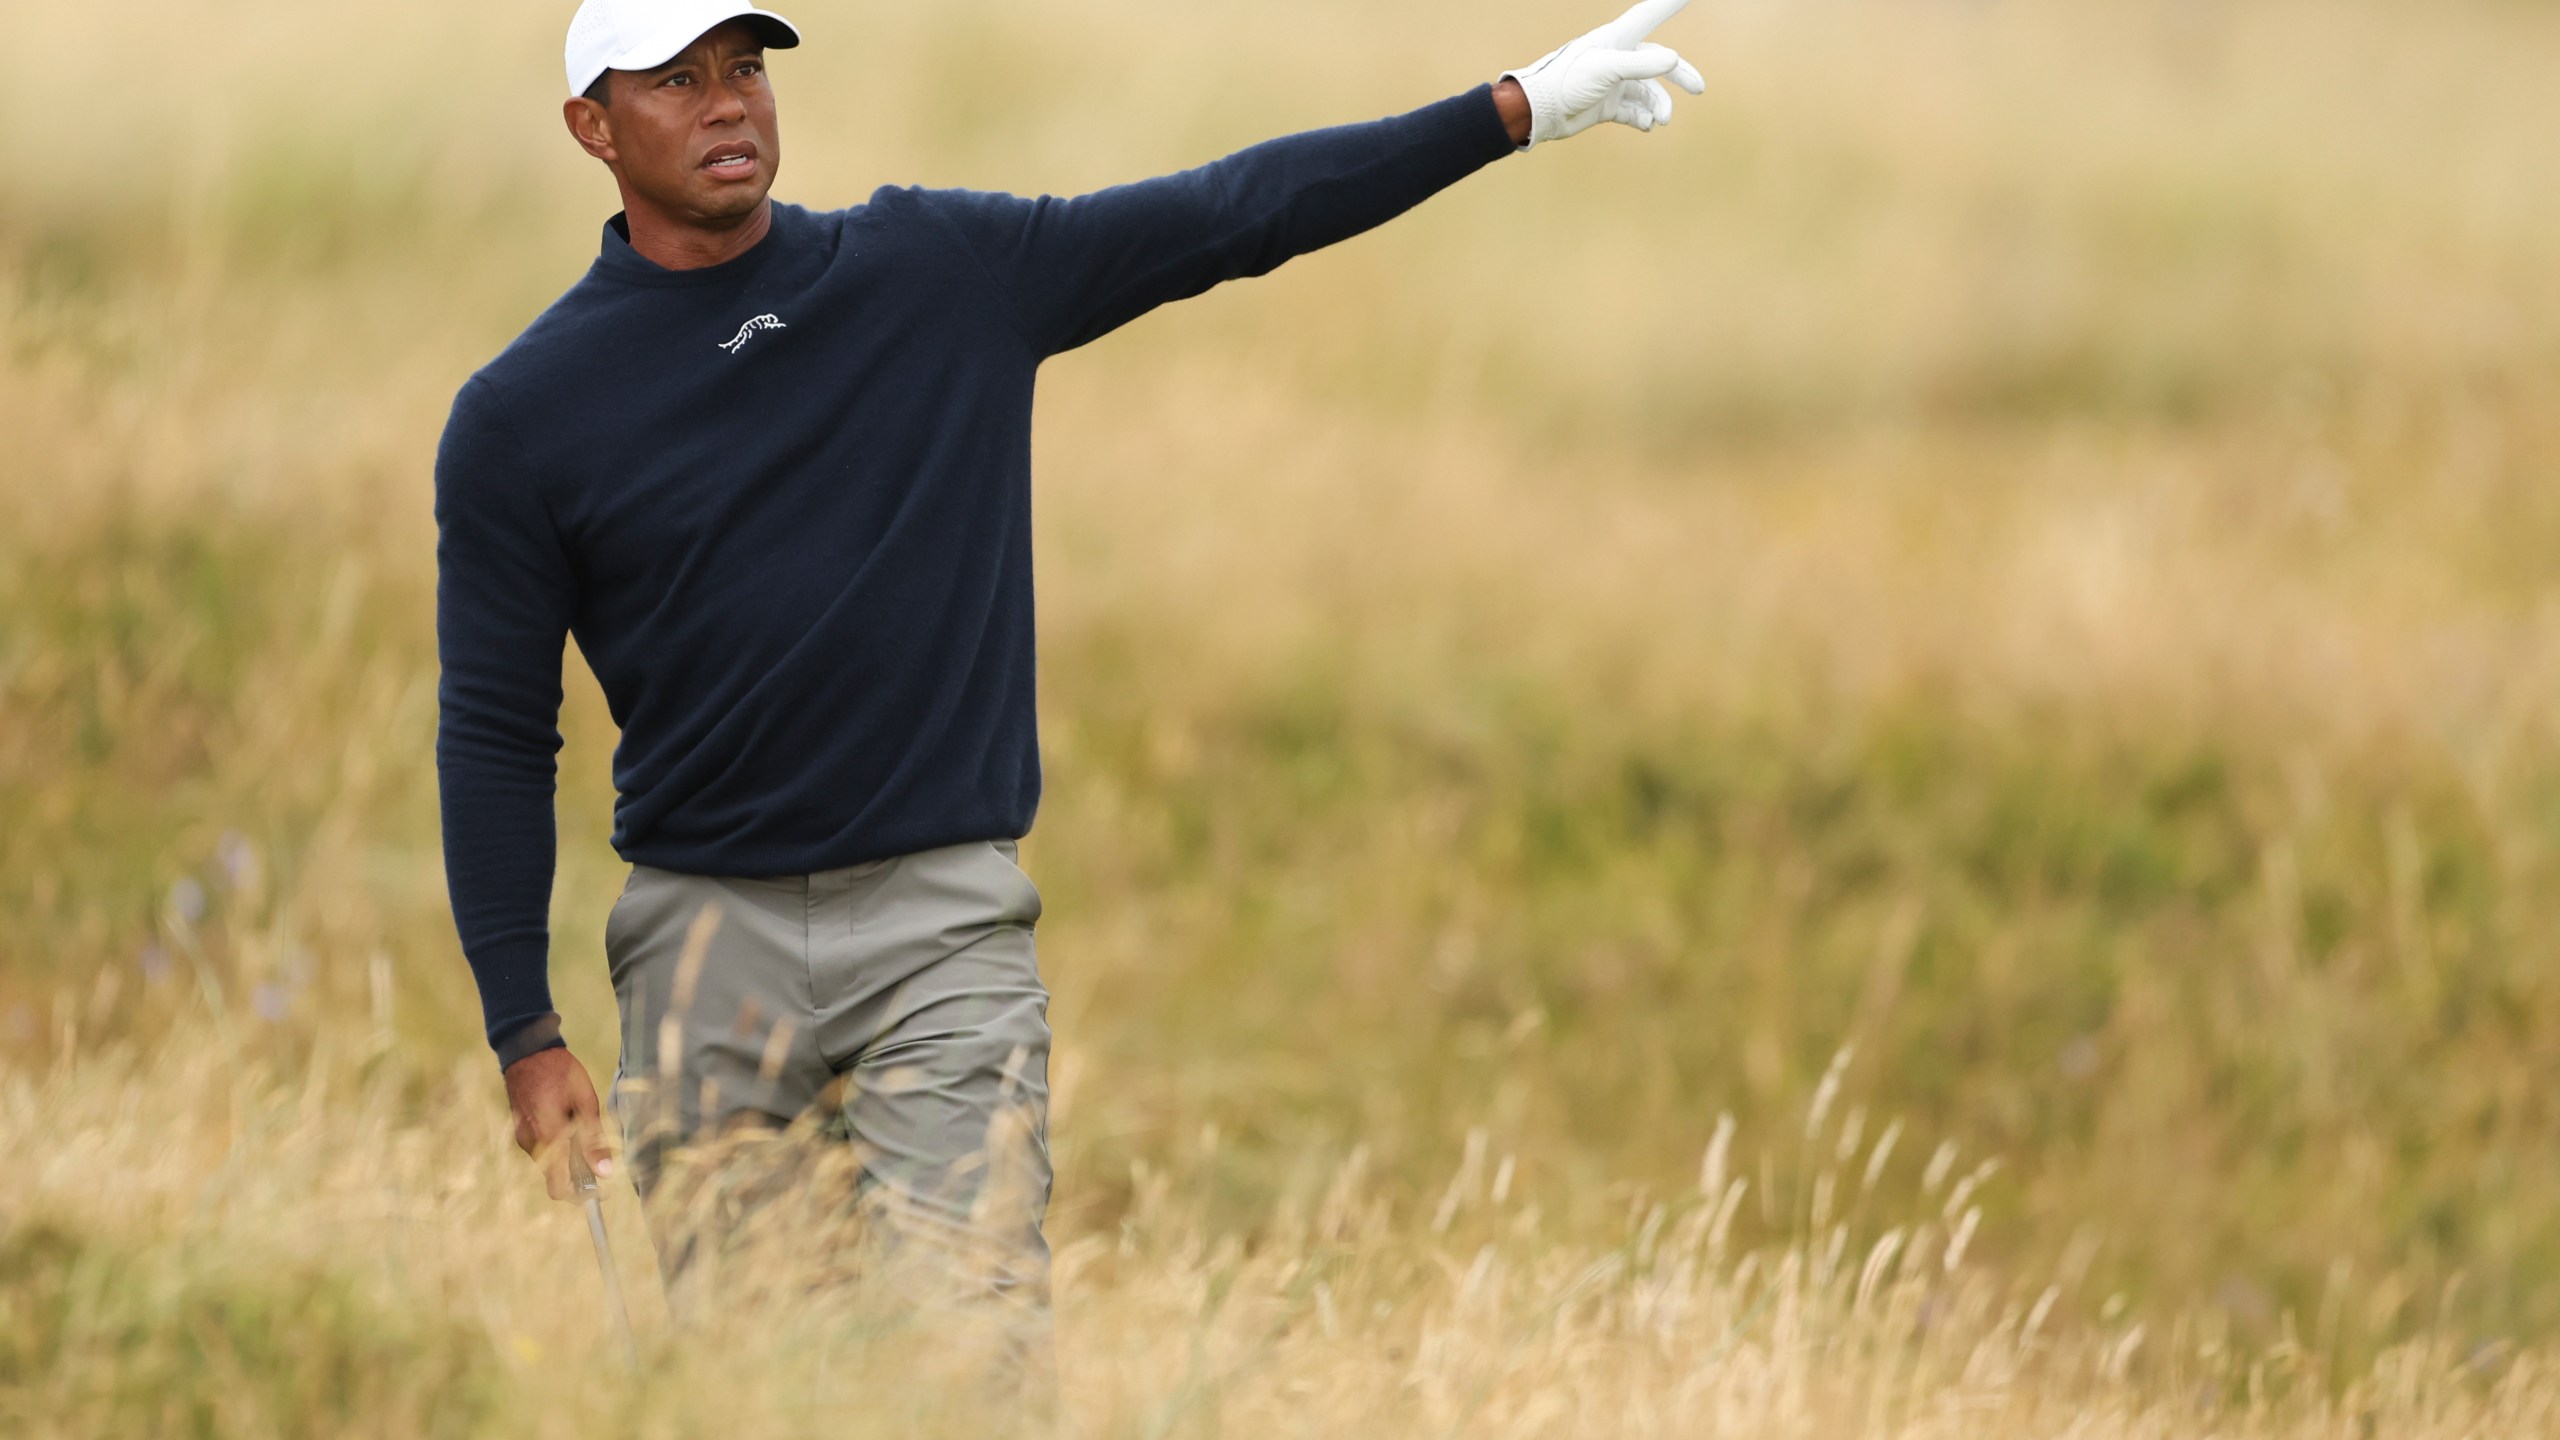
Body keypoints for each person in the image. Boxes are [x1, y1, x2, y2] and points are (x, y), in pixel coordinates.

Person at [433, 0, 1703, 1363]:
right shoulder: (525, 416)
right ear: (592, 128)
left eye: (743, 68)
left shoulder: (934, 272)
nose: (728, 103)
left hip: (940, 932)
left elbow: (1226, 214)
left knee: (982, 1353)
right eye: (677, 82)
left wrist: (1510, 110)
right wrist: (527, 1029)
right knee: (764, 1378)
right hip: (702, 951)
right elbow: (499, 734)